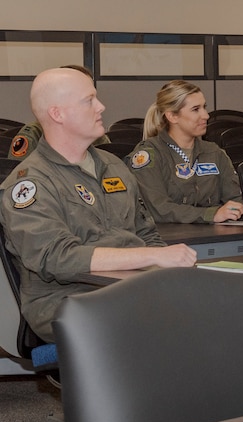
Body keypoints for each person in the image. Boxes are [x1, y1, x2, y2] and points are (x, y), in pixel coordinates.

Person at [0, 68, 196, 341]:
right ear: (58, 114)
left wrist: (168, 272)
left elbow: (146, 234)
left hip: (130, 288)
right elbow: (57, 258)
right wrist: (151, 257)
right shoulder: (29, 184)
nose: (101, 106)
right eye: (88, 100)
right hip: (68, 302)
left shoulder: (115, 166)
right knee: (171, 326)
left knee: (218, 306)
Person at [125, 80, 243, 224]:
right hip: (167, 239)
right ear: (172, 116)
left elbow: (235, 199)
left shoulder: (213, 152)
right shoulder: (150, 155)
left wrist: (241, 207)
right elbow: (159, 209)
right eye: (196, 109)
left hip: (214, 236)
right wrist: (210, 214)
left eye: (204, 107)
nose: (206, 115)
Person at [7, 64, 109, 160]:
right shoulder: (34, 133)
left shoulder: (96, 135)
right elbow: (19, 171)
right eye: (88, 99)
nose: (100, 107)